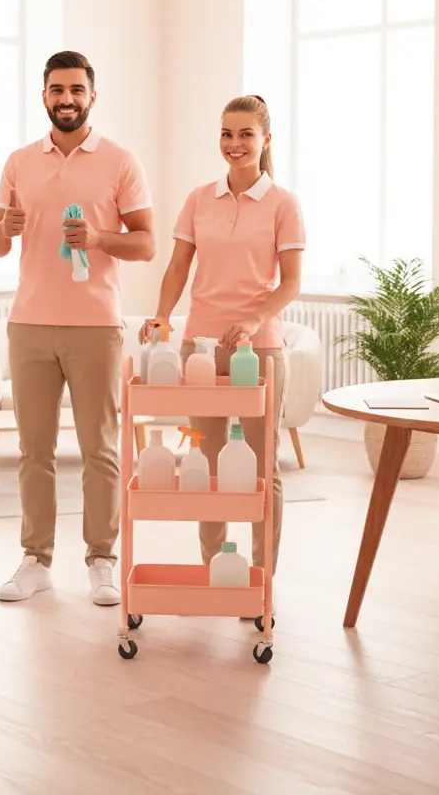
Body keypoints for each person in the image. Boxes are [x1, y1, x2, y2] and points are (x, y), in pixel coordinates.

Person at [0, 51, 155, 605]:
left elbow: (147, 243)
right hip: (29, 322)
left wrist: (101, 238)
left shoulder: (121, 161)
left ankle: (102, 559)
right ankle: (36, 559)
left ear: (92, 96)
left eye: (76, 90)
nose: (67, 99)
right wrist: (2, 230)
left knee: (100, 448)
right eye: (58, 90)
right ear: (44, 96)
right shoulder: (18, 162)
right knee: (35, 450)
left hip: (94, 325)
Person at [140, 94, 304, 587]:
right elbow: (177, 267)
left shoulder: (283, 204)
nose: (235, 144)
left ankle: (260, 575)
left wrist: (254, 321)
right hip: (200, 350)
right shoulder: (198, 199)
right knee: (205, 463)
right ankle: (216, 569)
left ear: (265, 140)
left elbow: (291, 282)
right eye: (227, 134)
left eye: (246, 135)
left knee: (260, 466)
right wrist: (162, 317)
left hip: (261, 350)